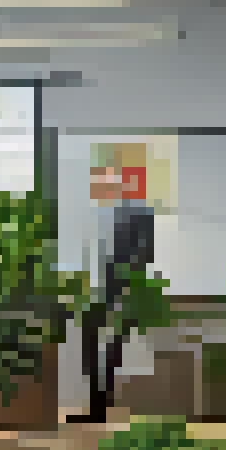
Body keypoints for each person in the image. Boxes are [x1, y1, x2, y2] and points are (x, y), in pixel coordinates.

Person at [69, 167, 156, 424]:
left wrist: (127, 286)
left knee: (111, 347)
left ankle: (101, 407)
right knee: (91, 346)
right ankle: (96, 408)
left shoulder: (140, 212)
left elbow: (144, 253)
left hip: (121, 289)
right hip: (93, 290)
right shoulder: (92, 215)